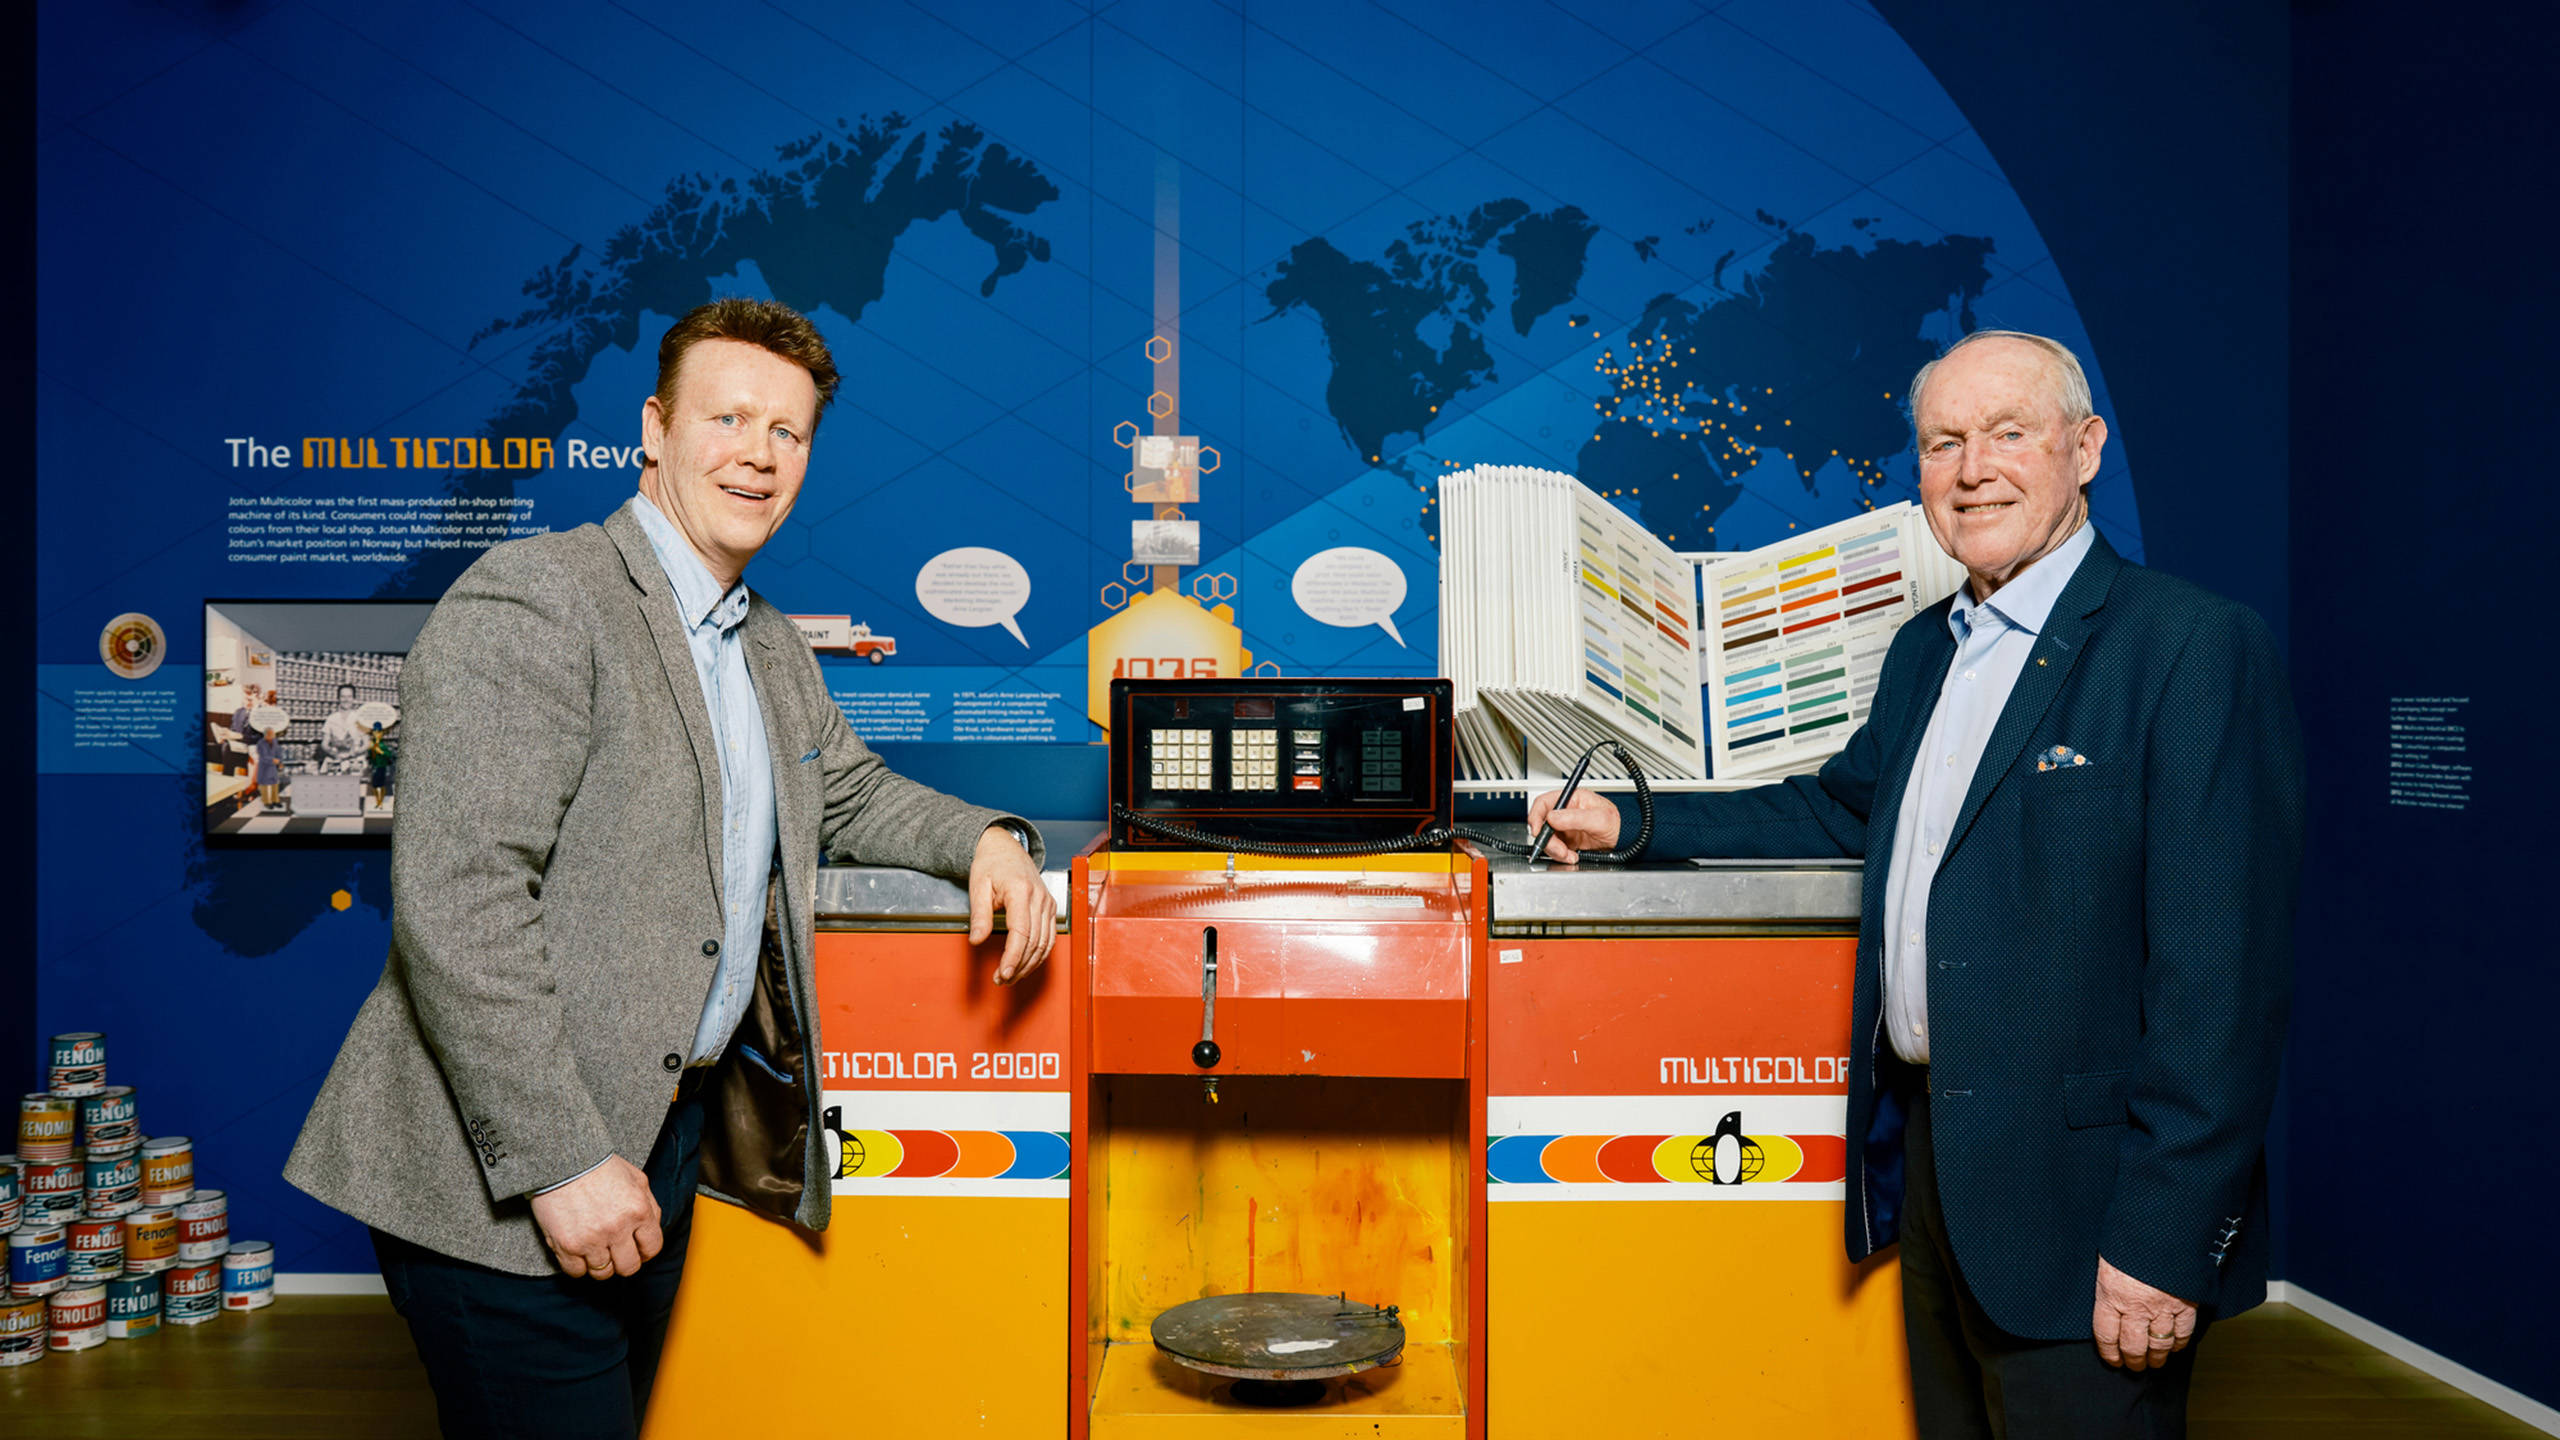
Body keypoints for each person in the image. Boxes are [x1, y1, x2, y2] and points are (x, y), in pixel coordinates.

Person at [286, 297, 1058, 1440]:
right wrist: (560, 1163)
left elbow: (850, 792)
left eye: (787, 431)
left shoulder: (769, 646)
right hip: (504, 1178)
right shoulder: (540, 597)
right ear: (653, 431)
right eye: (727, 418)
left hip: (662, 1142)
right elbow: (460, 901)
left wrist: (988, 838)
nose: (758, 453)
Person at [1532, 331, 2302, 1439]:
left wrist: (2164, 1240)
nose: (1972, 469)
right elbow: (1839, 808)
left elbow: (2223, 987)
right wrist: (1629, 821)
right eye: (1944, 443)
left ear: (2085, 449)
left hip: (2092, 1207)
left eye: (2008, 433)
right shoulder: (1926, 651)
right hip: (1943, 1181)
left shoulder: (2191, 646)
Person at [321, 681, 369, 773]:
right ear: (338, 698)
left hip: (355, 760)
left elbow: (367, 744)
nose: (346, 700)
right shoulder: (331, 718)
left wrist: (355, 752)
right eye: (343, 696)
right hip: (335, 759)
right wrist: (332, 753)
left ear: (354, 699)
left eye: (349, 696)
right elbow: (324, 743)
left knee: (356, 780)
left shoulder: (360, 718)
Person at [364, 720, 395, 812]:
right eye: (375, 732)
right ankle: (378, 801)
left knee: (382, 785)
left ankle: (380, 802)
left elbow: (389, 755)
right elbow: (369, 757)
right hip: (374, 767)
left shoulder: (383, 745)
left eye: (378, 732)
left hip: (382, 767)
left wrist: (380, 752)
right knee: (374, 785)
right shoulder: (372, 745)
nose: (376, 734)